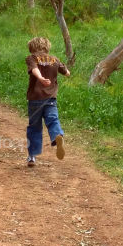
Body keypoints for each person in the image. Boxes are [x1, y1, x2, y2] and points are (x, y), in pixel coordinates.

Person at [24, 35, 70, 168]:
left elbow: (34, 69)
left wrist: (40, 78)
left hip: (35, 99)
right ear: (47, 47)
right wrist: (64, 71)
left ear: (32, 47)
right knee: (53, 120)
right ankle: (57, 135)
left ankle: (32, 156)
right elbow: (67, 73)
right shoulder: (55, 59)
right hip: (50, 99)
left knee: (34, 127)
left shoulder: (32, 58)